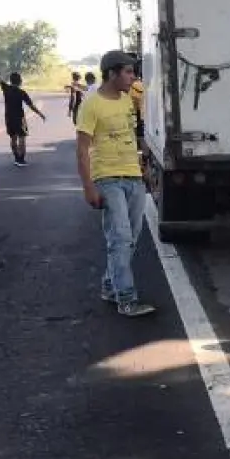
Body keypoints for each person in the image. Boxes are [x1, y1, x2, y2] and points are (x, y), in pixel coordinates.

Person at [76, 51, 156, 318]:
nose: (133, 78)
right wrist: (88, 187)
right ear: (112, 73)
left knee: (131, 238)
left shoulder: (126, 101)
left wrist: (144, 167)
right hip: (107, 179)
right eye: (129, 72)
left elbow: (132, 136)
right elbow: (82, 149)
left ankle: (110, 286)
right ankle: (127, 299)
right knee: (120, 238)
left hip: (133, 176)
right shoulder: (91, 104)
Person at [0, 73, 46, 167]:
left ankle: (16, 157)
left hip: (8, 117)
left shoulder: (6, 89)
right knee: (22, 137)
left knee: (13, 137)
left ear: (11, 80)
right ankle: (21, 159)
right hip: (19, 118)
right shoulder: (21, 92)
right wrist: (40, 114)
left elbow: (0, 80)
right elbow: (31, 105)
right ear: (20, 81)